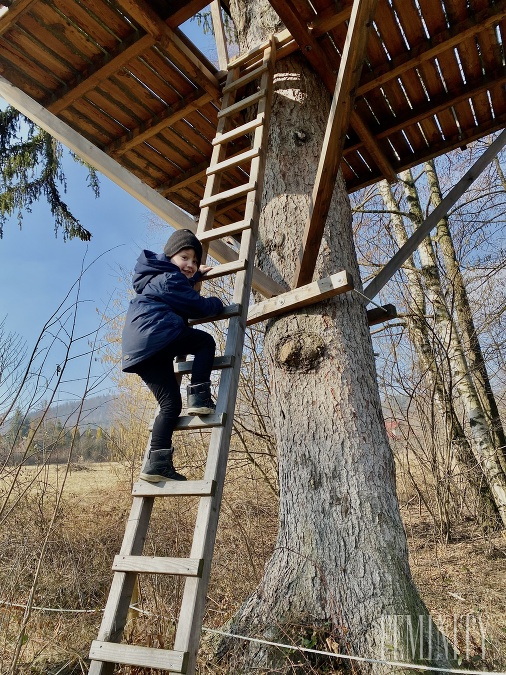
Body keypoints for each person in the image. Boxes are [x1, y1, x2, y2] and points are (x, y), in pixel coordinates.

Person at [122, 229, 224, 482]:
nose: (190, 264)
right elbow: (197, 306)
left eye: (195, 261)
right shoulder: (169, 278)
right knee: (204, 342)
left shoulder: (157, 278)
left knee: (169, 405)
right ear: (169, 257)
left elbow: (177, 292)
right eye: (184, 258)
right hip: (157, 336)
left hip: (140, 351)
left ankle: (156, 463)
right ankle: (199, 396)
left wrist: (193, 278)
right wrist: (217, 303)